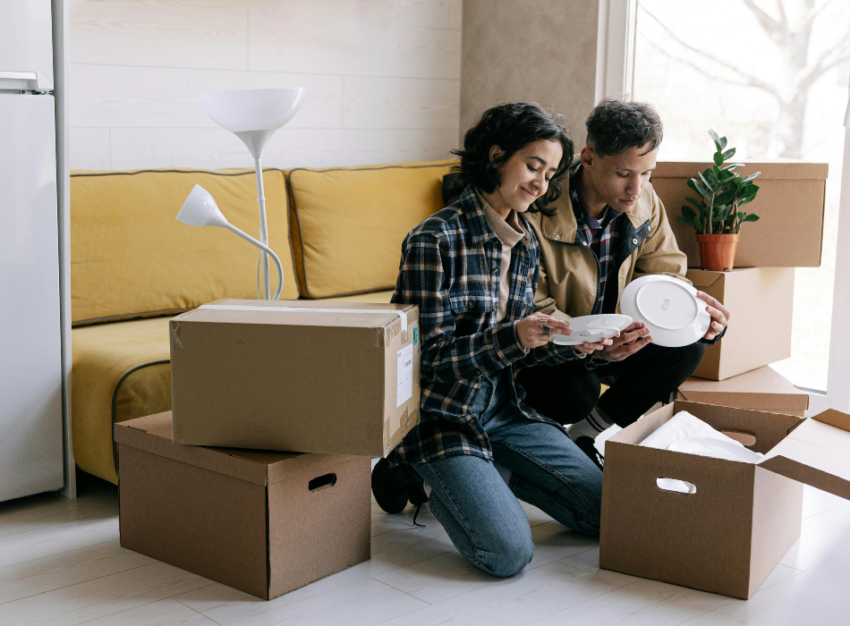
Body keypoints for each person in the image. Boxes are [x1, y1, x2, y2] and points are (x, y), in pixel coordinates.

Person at [370, 103, 611, 578]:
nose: (541, 183)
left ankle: (486, 473)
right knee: (506, 555)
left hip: (506, 408)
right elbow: (427, 359)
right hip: (442, 415)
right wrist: (514, 337)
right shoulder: (433, 239)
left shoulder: (523, 242)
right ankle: (410, 465)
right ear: (497, 155)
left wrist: (571, 346)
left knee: (607, 513)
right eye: (532, 166)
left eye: (550, 173)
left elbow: (519, 349)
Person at [520, 99, 731, 469]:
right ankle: (535, 444)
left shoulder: (644, 201)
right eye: (624, 173)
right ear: (588, 159)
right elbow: (531, 309)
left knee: (690, 346)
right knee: (575, 392)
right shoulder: (538, 208)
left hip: (619, 341)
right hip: (556, 349)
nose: (636, 188)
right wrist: (595, 347)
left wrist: (697, 318)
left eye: (647, 173)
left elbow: (666, 277)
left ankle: (587, 432)